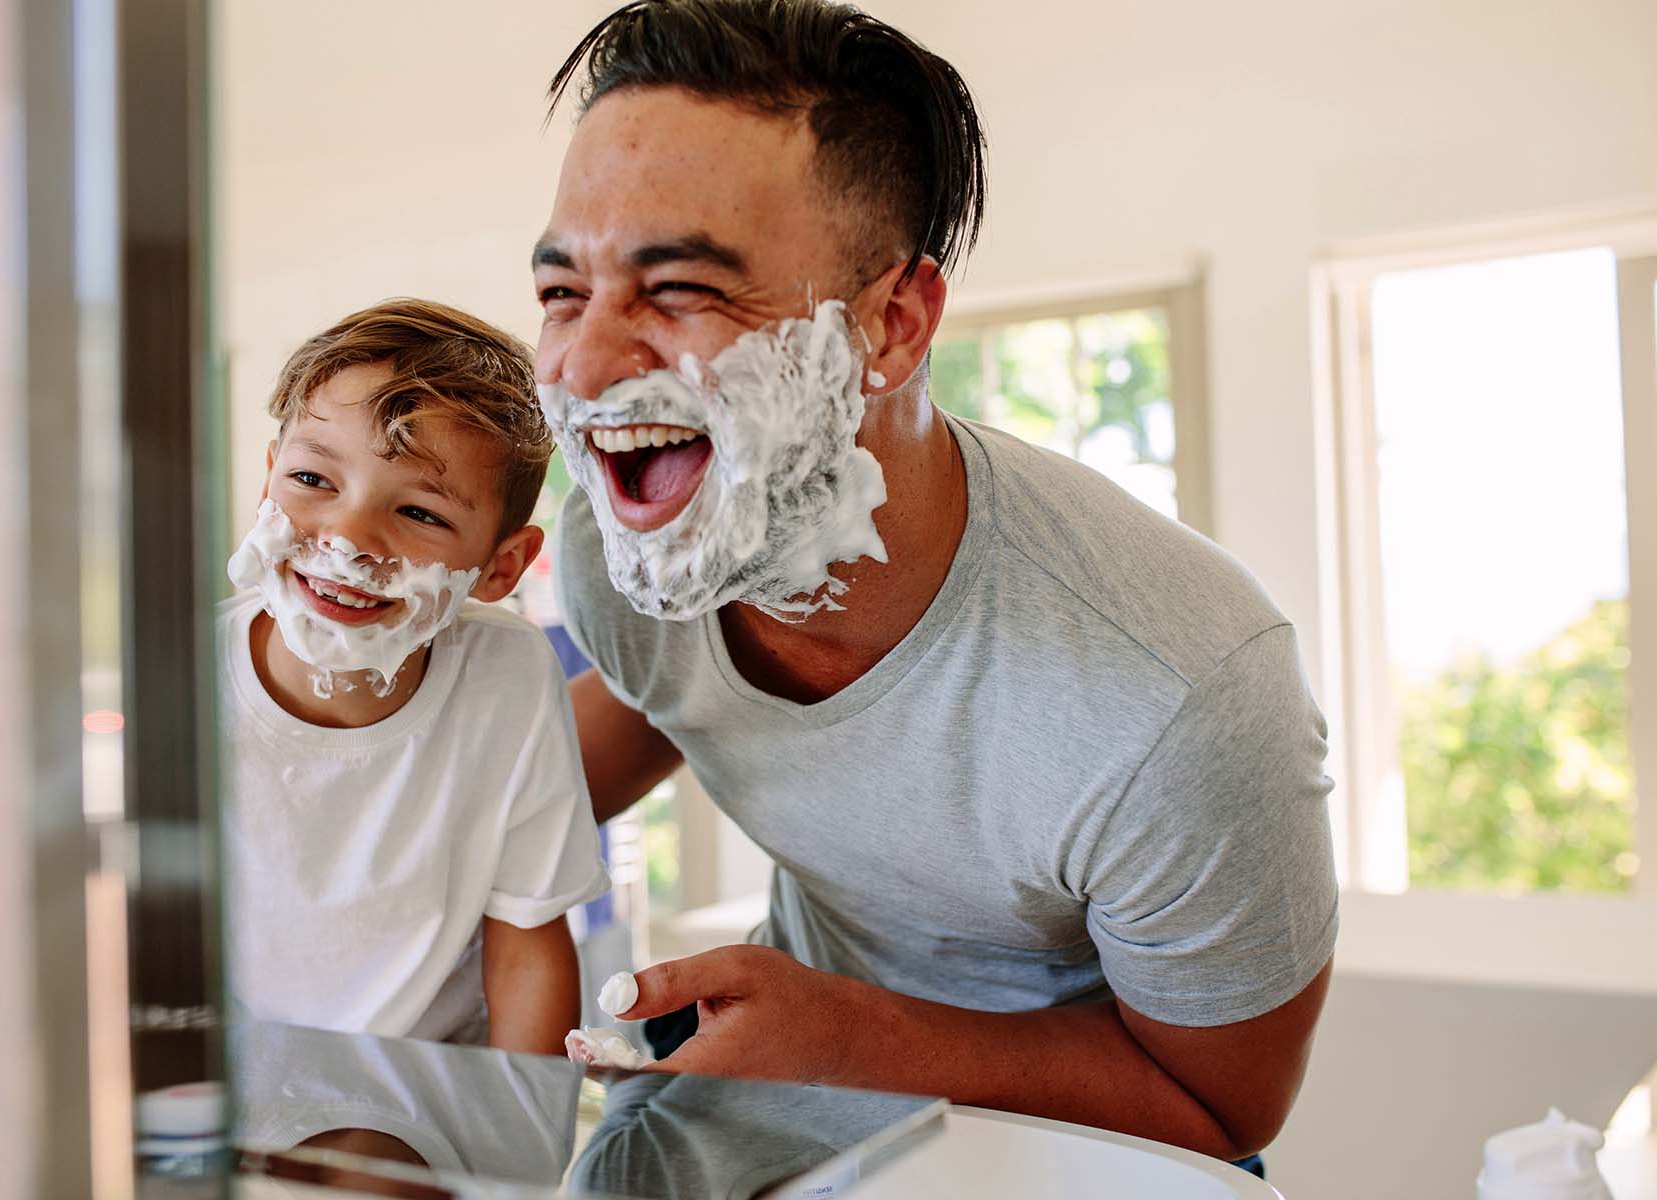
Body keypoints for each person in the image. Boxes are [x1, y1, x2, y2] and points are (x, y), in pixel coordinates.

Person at [534, 0, 1337, 1166]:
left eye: (684, 291)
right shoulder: (634, 544)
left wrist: (855, 1040)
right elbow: (668, 700)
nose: (587, 366)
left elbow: (1223, 1109)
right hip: (774, 1084)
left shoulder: (1181, 697)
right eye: (564, 292)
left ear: (893, 325)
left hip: (1078, 1144)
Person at [219, 298, 609, 1053]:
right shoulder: (189, 674)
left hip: (429, 1085)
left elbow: (528, 945)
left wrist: (520, 1153)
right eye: (312, 478)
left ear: (500, 568)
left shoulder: (508, 680)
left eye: (421, 514)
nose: (349, 537)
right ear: (269, 477)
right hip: (243, 1076)